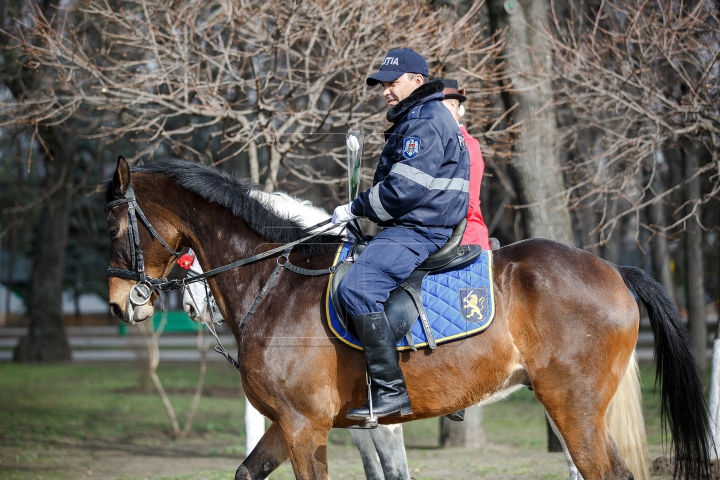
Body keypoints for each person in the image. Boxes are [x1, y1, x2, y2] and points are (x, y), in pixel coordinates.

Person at [331, 48, 470, 420]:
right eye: (382, 85)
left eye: (393, 83)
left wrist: (355, 208)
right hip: (417, 223)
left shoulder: (424, 119)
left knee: (357, 288)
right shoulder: (425, 115)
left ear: (417, 81)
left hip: (418, 228)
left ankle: (391, 391)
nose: (386, 91)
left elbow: (404, 190)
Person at [441, 79, 491, 250]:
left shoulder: (469, 145)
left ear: (454, 105)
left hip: (466, 239)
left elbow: (467, 204)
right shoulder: (440, 144)